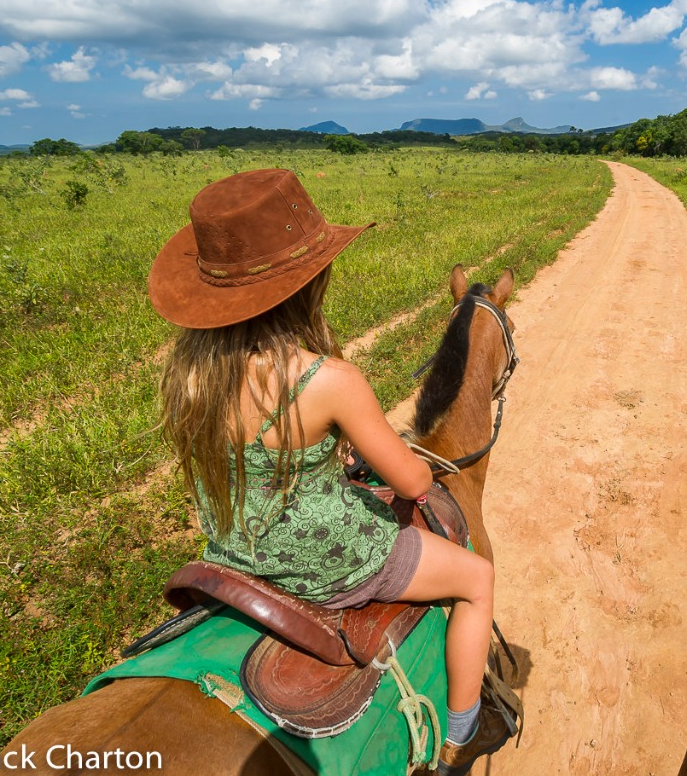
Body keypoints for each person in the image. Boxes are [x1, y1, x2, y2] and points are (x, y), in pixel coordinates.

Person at [147, 168, 510, 774]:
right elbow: (416, 484)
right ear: (308, 284)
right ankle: (460, 733)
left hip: (234, 553)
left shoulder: (188, 379)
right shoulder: (327, 381)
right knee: (475, 579)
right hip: (335, 564)